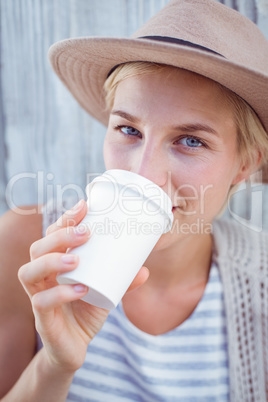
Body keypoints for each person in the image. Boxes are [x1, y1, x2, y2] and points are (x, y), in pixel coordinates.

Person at [1, 0, 268, 400]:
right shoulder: (27, 246)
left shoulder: (261, 285)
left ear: (244, 164)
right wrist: (57, 363)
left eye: (190, 141)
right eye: (128, 129)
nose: (142, 174)